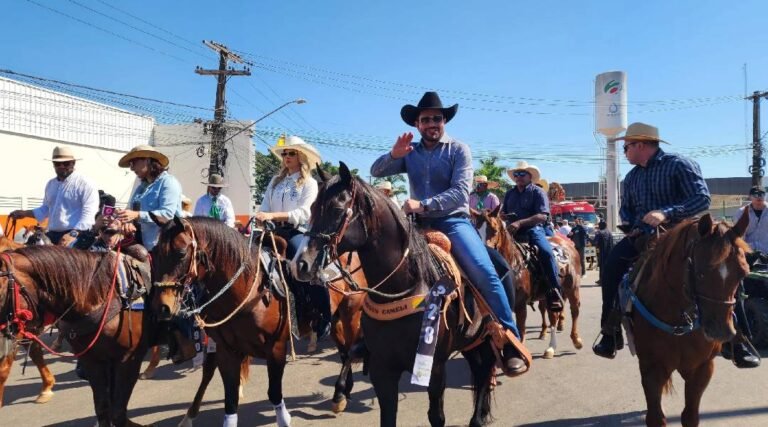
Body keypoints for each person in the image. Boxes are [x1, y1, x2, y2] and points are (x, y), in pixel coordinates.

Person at [371, 91, 527, 375]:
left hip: (452, 222)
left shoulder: (458, 150)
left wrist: (423, 204)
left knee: (484, 271)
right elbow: (376, 171)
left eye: (437, 118)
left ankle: (510, 339)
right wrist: (394, 154)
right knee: (379, 265)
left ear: (444, 121)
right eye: (425, 119)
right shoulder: (410, 153)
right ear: (417, 124)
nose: (432, 123)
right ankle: (369, 338)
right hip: (416, 225)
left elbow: (459, 194)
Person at [593, 122, 711, 359]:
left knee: (722, 265)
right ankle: (610, 331)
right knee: (612, 267)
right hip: (643, 236)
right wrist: (630, 224)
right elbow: (626, 209)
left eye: (626, 147)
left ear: (640, 145)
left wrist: (666, 212)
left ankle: (737, 336)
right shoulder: (632, 176)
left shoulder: (679, 164)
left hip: (682, 234)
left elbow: (702, 199)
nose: (624, 153)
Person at [256, 135, 331, 339]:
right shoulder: (275, 181)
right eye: (284, 153)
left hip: (298, 232)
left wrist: (272, 215)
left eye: (291, 153)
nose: (286, 156)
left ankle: (324, 314)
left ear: (301, 157)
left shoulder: (309, 183)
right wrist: (262, 217)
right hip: (272, 231)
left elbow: (304, 213)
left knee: (308, 268)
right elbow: (264, 207)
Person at [502, 160, 565, 312]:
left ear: (530, 176)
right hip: (511, 232)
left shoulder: (538, 192)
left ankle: (554, 291)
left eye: (522, 174)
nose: (518, 177)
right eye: (516, 174)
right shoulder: (510, 193)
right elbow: (502, 213)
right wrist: (502, 217)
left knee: (546, 252)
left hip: (533, 230)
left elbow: (543, 216)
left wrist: (520, 223)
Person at [10, 146, 99, 245]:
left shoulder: (85, 183)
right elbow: (46, 209)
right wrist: (24, 213)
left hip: (77, 234)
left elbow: (89, 213)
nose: (61, 166)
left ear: (73, 163)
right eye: (57, 163)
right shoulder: (51, 184)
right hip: (52, 233)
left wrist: (73, 234)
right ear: (53, 165)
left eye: (66, 163)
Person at [114, 144, 182, 251]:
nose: (131, 168)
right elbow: (133, 214)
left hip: (163, 248)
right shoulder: (140, 188)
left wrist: (137, 215)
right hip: (141, 244)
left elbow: (167, 215)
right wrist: (127, 222)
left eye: (134, 162)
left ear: (147, 160)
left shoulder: (168, 182)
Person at [727, 186, 767, 368]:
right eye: (756, 196)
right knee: (739, 289)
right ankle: (742, 332)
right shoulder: (742, 212)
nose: (759, 199)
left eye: (762, 195)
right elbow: (737, 234)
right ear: (750, 197)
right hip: (748, 254)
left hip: (766, 254)